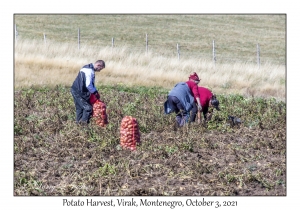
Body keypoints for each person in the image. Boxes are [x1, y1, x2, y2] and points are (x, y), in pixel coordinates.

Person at [70, 60, 105, 125]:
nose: (100, 70)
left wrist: (95, 91)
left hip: (75, 90)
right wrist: (95, 92)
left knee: (80, 108)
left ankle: (78, 125)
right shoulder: (89, 71)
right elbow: (88, 84)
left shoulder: (86, 68)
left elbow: (90, 84)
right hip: (79, 92)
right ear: (98, 65)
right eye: (100, 68)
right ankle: (83, 126)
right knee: (88, 108)